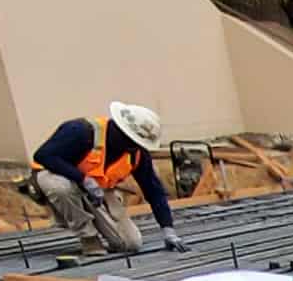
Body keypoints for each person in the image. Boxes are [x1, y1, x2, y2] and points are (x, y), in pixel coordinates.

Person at [30, 103, 182, 258]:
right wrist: (83, 179)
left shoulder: (136, 153)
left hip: (97, 191)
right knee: (60, 187)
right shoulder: (80, 131)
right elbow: (43, 156)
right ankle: (89, 238)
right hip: (59, 178)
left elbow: (153, 190)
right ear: (121, 131)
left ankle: (97, 223)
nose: (135, 147)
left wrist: (168, 230)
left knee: (130, 244)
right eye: (132, 142)